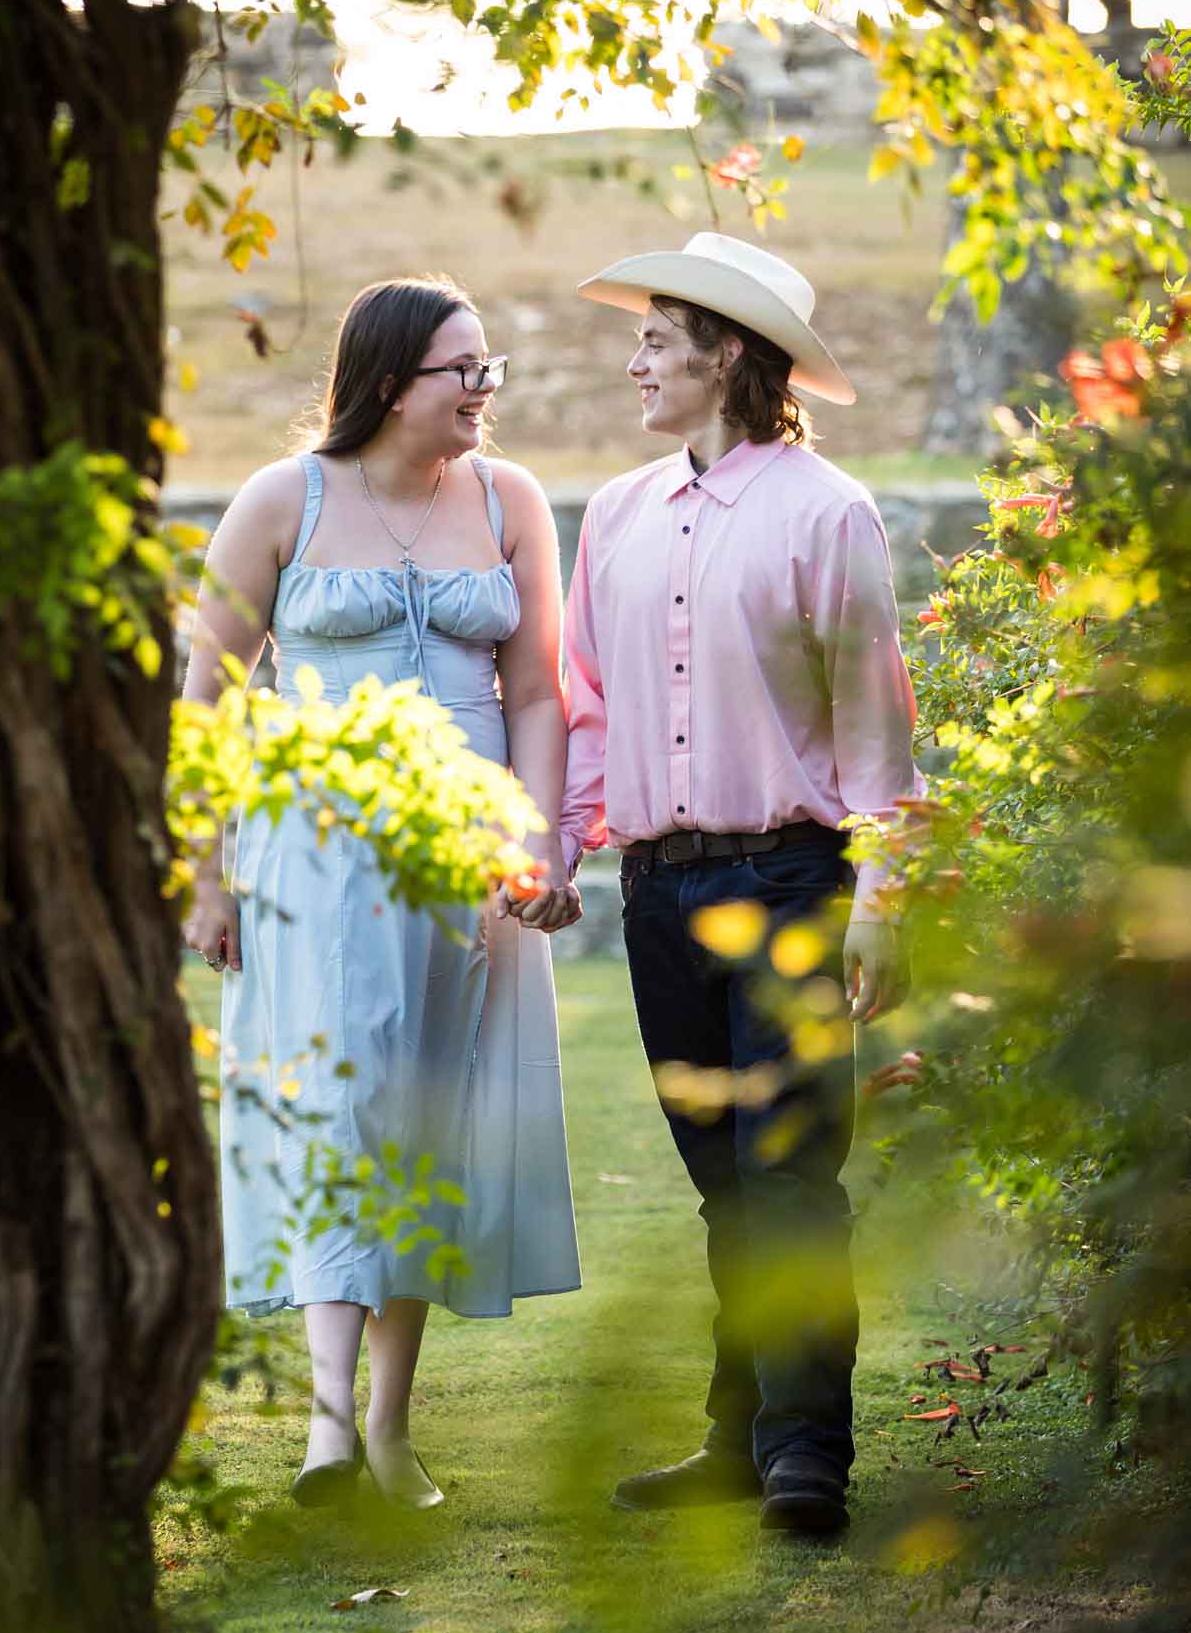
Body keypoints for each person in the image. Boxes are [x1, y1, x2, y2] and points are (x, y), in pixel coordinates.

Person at [182, 275, 582, 1513]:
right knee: (336, 1107)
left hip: (465, 856)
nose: (482, 389)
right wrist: (205, 874)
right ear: (389, 380)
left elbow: (536, 691)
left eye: (487, 368)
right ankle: (323, 1427)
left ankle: (392, 1425)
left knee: (429, 1113)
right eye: (462, 369)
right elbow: (208, 698)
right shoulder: (280, 498)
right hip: (313, 854)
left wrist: (538, 844)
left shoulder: (510, 499)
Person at [547, 231, 923, 1538]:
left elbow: (876, 736)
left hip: (792, 882)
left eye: (656, 340)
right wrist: (561, 852)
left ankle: (805, 1458)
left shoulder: (828, 512)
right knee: (725, 1183)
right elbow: (587, 709)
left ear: (727, 355)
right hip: (657, 893)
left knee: (789, 1178)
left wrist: (880, 904)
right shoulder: (614, 515)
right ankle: (739, 1442)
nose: (635, 363)